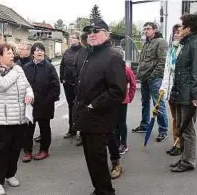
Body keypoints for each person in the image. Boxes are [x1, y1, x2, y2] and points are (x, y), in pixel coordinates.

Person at [73, 19, 126, 195]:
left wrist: (93, 104)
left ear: (107, 34)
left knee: (98, 159)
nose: (92, 34)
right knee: (91, 160)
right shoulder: (90, 54)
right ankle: (99, 189)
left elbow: (118, 92)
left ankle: (105, 191)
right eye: (89, 32)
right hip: (86, 117)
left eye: (96, 31)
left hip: (100, 118)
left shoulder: (113, 57)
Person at [0, 43, 34, 195]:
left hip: (20, 118)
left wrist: (30, 95)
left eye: (13, 53)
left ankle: (10, 174)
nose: (12, 55)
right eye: (9, 53)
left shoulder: (17, 70)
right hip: (2, 120)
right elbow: (2, 85)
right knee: (1, 151)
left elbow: (27, 86)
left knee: (15, 150)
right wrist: (17, 70)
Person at [169, 14, 197, 172]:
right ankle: (183, 158)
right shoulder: (186, 43)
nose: (180, 29)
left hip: (188, 94)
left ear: (189, 28)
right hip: (180, 92)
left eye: (182, 26)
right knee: (180, 126)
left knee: (187, 128)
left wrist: (196, 96)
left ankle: (189, 161)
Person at [22, 42, 60, 162]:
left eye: (42, 50)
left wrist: (47, 100)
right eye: (37, 50)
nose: (40, 52)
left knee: (44, 128)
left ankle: (44, 150)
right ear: (32, 53)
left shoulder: (49, 67)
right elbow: (22, 85)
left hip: (45, 104)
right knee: (28, 129)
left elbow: (55, 87)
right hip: (30, 105)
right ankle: (27, 151)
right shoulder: (27, 67)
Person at [133, 22, 170, 143]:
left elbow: (163, 60)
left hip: (154, 79)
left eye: (148, 29)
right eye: (144, 29)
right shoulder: (146, 43)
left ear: (155, 30)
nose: (145, 31)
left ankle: (163, 130)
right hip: (144, 78)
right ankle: (144, 125)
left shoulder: (161, 42)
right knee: (145, 103)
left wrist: (154, 76)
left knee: (158, 104)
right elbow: (143, 61)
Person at [160, 24, 183, 156]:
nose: (176, 34)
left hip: (180, 90)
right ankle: (176, 143)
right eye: (174, 32)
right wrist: (163, 88)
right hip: (170, 90)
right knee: (175, 118)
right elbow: (167, 72)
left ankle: (181, 144)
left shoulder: (184, 49)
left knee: (181, 119)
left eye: (178, 32)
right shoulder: (171, 50)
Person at [60, 31, 83, 139]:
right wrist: (62, 78)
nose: (72, 39)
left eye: (74, 38)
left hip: (79, 84)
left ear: (79, 39)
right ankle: (72, 129)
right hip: (68, 84)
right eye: (71, 38)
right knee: (71, 106)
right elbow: (62, 65)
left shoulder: (83, 51)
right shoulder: (67, 51)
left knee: (80, 107)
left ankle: (82, 133)